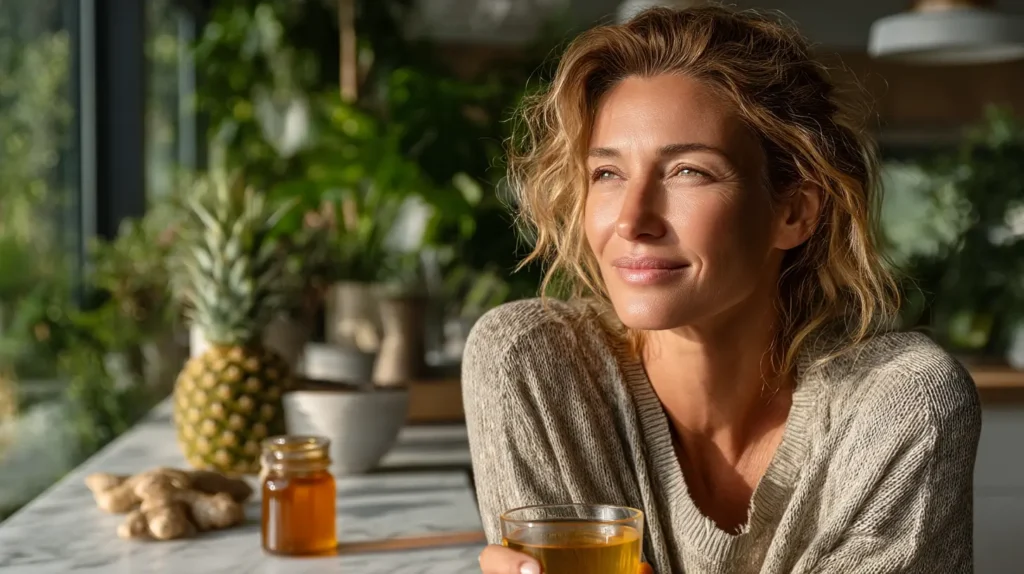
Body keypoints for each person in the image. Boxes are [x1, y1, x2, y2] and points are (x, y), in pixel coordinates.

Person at [463, 4, 982, 574]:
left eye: (689, 171)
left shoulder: (902, 403)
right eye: (607, 174)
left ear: (794, 212)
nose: (632, 221)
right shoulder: (535, 365)